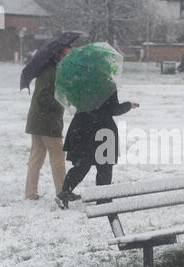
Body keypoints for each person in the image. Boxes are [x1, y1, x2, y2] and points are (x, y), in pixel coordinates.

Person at [55, 91, 138, 209]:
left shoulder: (79, 81)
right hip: (102, 128)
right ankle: (103, 199)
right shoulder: (106, 84)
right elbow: (114, 109)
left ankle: (64, 193)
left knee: (82, 165)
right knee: (104, 167)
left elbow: (73, 102)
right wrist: (128, 105)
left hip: (81, 127)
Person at [24, 45, 72, 201]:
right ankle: (62, 192)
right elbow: (43, 97)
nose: (68, 57)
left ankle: (30, 194)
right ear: (57, 54)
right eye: (66, 54)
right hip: (46, 122)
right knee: (58, 157)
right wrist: (60, 102)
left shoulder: (54, 70)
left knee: (36, 156)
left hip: (38, 121)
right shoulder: (49, 71)